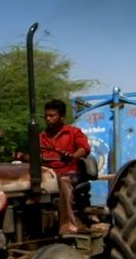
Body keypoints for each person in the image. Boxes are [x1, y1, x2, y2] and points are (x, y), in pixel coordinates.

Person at [16, 99, 91, 234]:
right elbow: (36, 157)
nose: (48, 119)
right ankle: (28, 226)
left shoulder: (73, 132)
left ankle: (69, 225)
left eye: (52, 116)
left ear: (61, 117)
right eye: (46, 116)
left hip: (69, 172)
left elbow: (84, 149)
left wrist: (72, 156)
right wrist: (22, 157)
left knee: (64, 181)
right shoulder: (42, 137)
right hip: (48, 173)